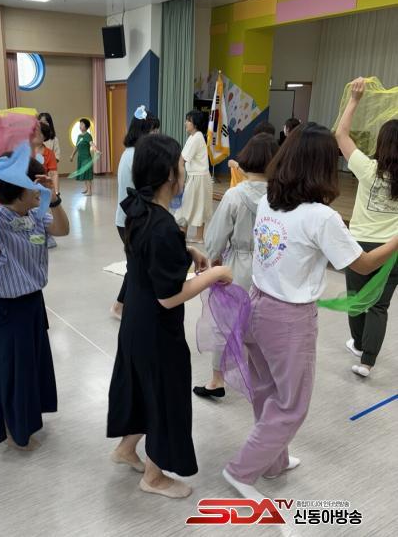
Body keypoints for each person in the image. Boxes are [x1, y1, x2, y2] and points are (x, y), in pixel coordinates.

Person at [222, 123, 398, 501]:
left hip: (256, 306)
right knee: (292, 405)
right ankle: (241, 470)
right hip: (288, 320)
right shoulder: (321, 217)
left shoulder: (269, 200)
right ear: (322, 167)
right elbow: (364, 264)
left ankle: (274, 461)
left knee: (267, 392)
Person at [107, 134, 232, 499]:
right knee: (165, 396)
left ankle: (126, 448)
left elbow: (151, 258)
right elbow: (169, 297)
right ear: (168, 175)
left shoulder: (141, 211)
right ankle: (154, 476)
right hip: (157, 329)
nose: (185, 171)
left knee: (144, 389)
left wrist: (187, 251)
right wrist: (215, 274)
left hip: (136, 322)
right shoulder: (161, 225)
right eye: (181, 165)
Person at [0, 153, 70, 449]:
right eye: (34, 184)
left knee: (30, 366)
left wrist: (53, 197)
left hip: (32, 304)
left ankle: (26, 420)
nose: (39, 188)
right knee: (11, 372)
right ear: (17, 187)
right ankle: (16, 430)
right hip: (5, 309)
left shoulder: (34, 215)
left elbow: (62, 229)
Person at [194, 132, 279, 398]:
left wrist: (214, 259)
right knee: (264, 324)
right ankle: (265, 377)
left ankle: (217, 381)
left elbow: (216, 238)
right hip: (272, 266)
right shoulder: (281, 197)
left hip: (238, 267)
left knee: (225, 323)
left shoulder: (234, 195)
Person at [335, 77, 398, 377]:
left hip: (358, 245)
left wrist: (354, 100)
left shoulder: (367, 168)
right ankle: (367, 362)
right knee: (379, 306)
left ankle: (359, 345)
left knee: (356, 299)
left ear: (381, 144)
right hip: (392, 248)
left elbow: (341, 134)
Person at [111, 105, 156, 320]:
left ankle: (125, 304)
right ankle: (119, 306)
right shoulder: (137, 155)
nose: (155, 136)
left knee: (138, 264)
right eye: (153, 131)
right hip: (132, 219)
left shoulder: (128, 153)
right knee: (137, 265)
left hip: (127, 218)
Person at [174, 110, 213, 243]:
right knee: (197, 206)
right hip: (199, 177)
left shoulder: (196, 138)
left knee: (185, 206)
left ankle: (182, 237)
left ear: (195, 124)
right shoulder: (195, 137)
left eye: (188, 121)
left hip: (198, 178)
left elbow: (181, 160)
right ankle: (198, 237)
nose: (185, 123)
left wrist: (179, 182)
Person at [70, 118, 96, 196]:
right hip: (80, 158)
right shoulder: (79, 136)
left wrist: (96, 150)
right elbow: (76, 147)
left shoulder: (88, 136)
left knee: (87, 174)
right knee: (84, 173)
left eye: (82, 124)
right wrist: (72, 155)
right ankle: (87, 189)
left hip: (86, 158)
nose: (80, 126)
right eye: (80, 124)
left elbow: (92, 144)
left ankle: (90, 191)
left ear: (86, 126)